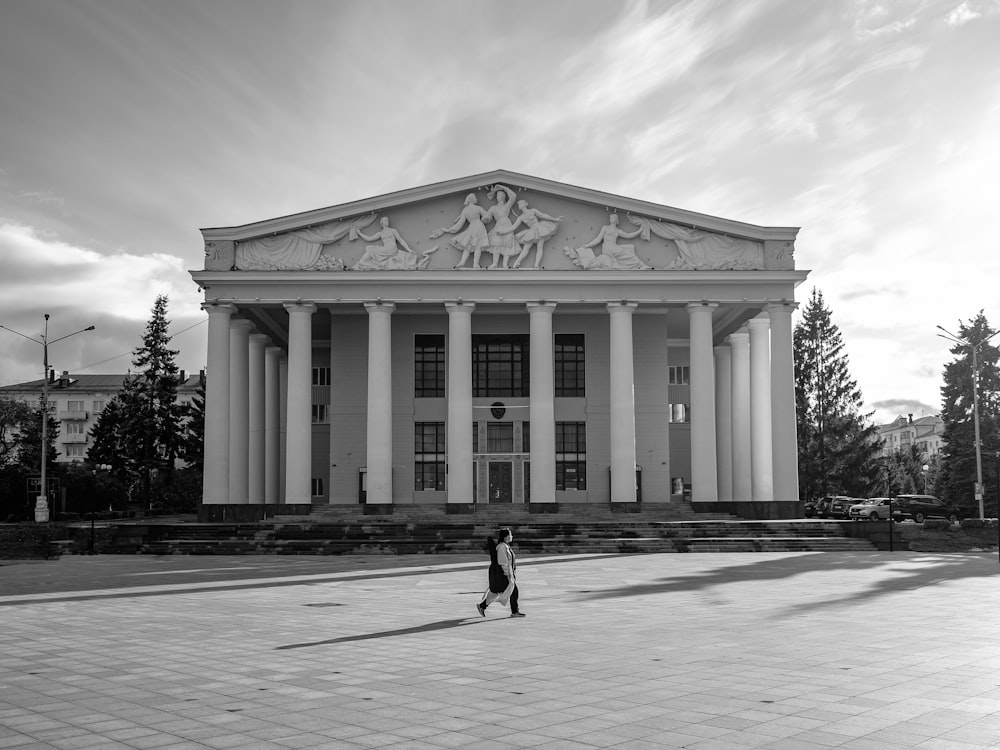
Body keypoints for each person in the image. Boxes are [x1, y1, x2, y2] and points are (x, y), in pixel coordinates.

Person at [430, 192, 491, 269]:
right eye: (475, 198)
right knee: (477, 247)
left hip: (471, 227)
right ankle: (475, 264)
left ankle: (462, 263)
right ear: (471, 200)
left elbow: (459, 225)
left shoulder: (465, 210)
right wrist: (484, 219)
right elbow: (487, 216)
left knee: (467, 246)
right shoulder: (478, 208)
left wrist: (448, 230)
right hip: (479, 226)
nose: (477, 199)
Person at [477, 528, 524, 617]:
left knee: (497, 592)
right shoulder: (502, 547)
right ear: (506, 537)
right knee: (513, 591)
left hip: (507, 574)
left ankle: (482, 606)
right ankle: (514, 611)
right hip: (504, 575)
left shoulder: (505, 546)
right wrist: (508, 575)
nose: (511, 536)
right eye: (510, 535)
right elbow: (503, 562)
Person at [510, 200, 562, 269]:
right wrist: (503, 232)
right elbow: (514, 227)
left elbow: (543, 215)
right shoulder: (521, 217)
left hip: (540, 228)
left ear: (526, 204)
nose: (519, 205)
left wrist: (554, 219)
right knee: (526, 248)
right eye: (519, 204)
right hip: (532, 231)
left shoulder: (532, 211)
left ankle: (536, 265)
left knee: (540, 247)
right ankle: (516, 263)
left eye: (521, 203)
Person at [483, 184, 521, 269]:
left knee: (507, 244)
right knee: (496, 243)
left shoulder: (507, 205)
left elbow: (513, 196)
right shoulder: (493, 207)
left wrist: (504, 188)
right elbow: (487, 216)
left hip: (506, 224)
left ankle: (505, 264)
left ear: (504, 196)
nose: (498, 197)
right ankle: (495, 263)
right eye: (497, 195)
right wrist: (486, 218)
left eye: (500, 195)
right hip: (498, 225)